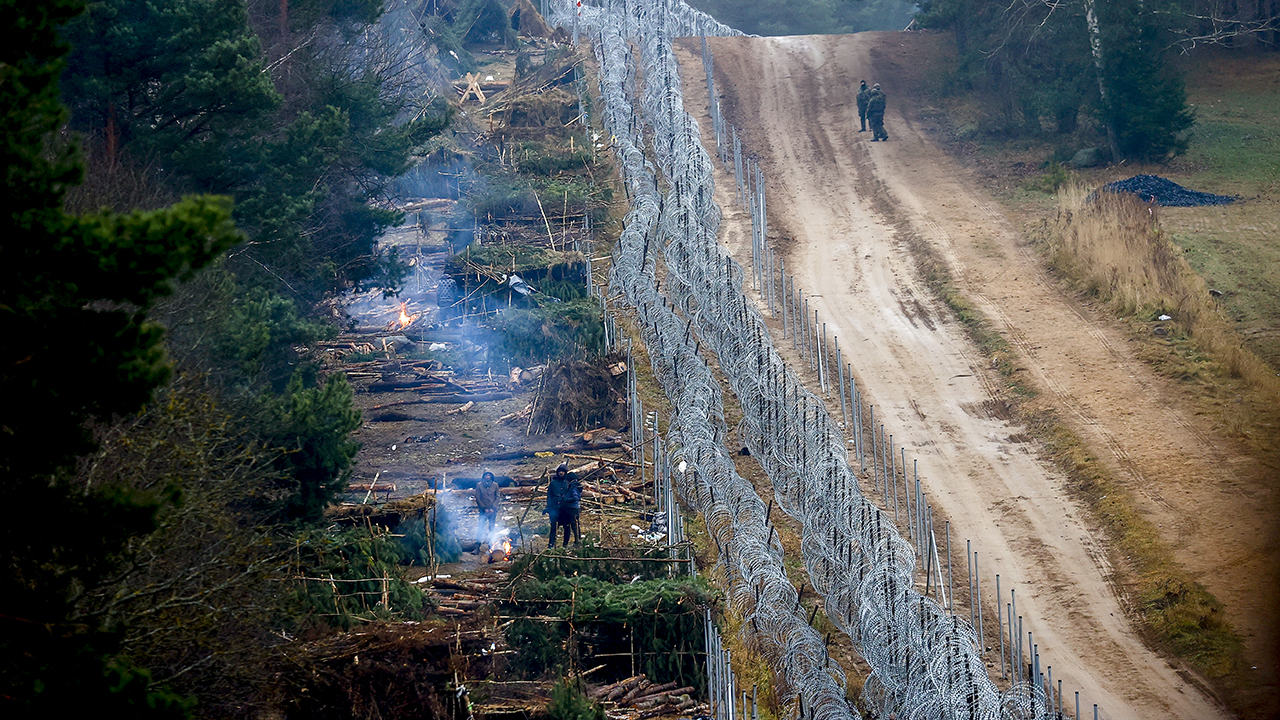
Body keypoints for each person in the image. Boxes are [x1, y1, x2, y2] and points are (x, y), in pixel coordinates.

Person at [545, 463, 569, 548]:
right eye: (560, 471)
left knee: (567, 527)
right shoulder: (553, 483)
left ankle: (565, 545)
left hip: (565, 509)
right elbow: (549, 495)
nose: (561, 473)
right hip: (555, 509)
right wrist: (549, 506)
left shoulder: (567, 483)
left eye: (563, 471)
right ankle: (551, 545)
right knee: (554, 528)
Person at [474, 470, 500, 542]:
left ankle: (491, 544)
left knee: (492, 527)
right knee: (481, 527)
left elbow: (497, 497)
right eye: (486, 475)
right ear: (483, 476)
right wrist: (484, 508)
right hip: (483, 510)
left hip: (492, 510)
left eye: (489, 475)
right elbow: (478, 498)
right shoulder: (479, 485)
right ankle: (478, 545)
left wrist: (493, 508)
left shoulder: (495, 485)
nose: (488, 477)